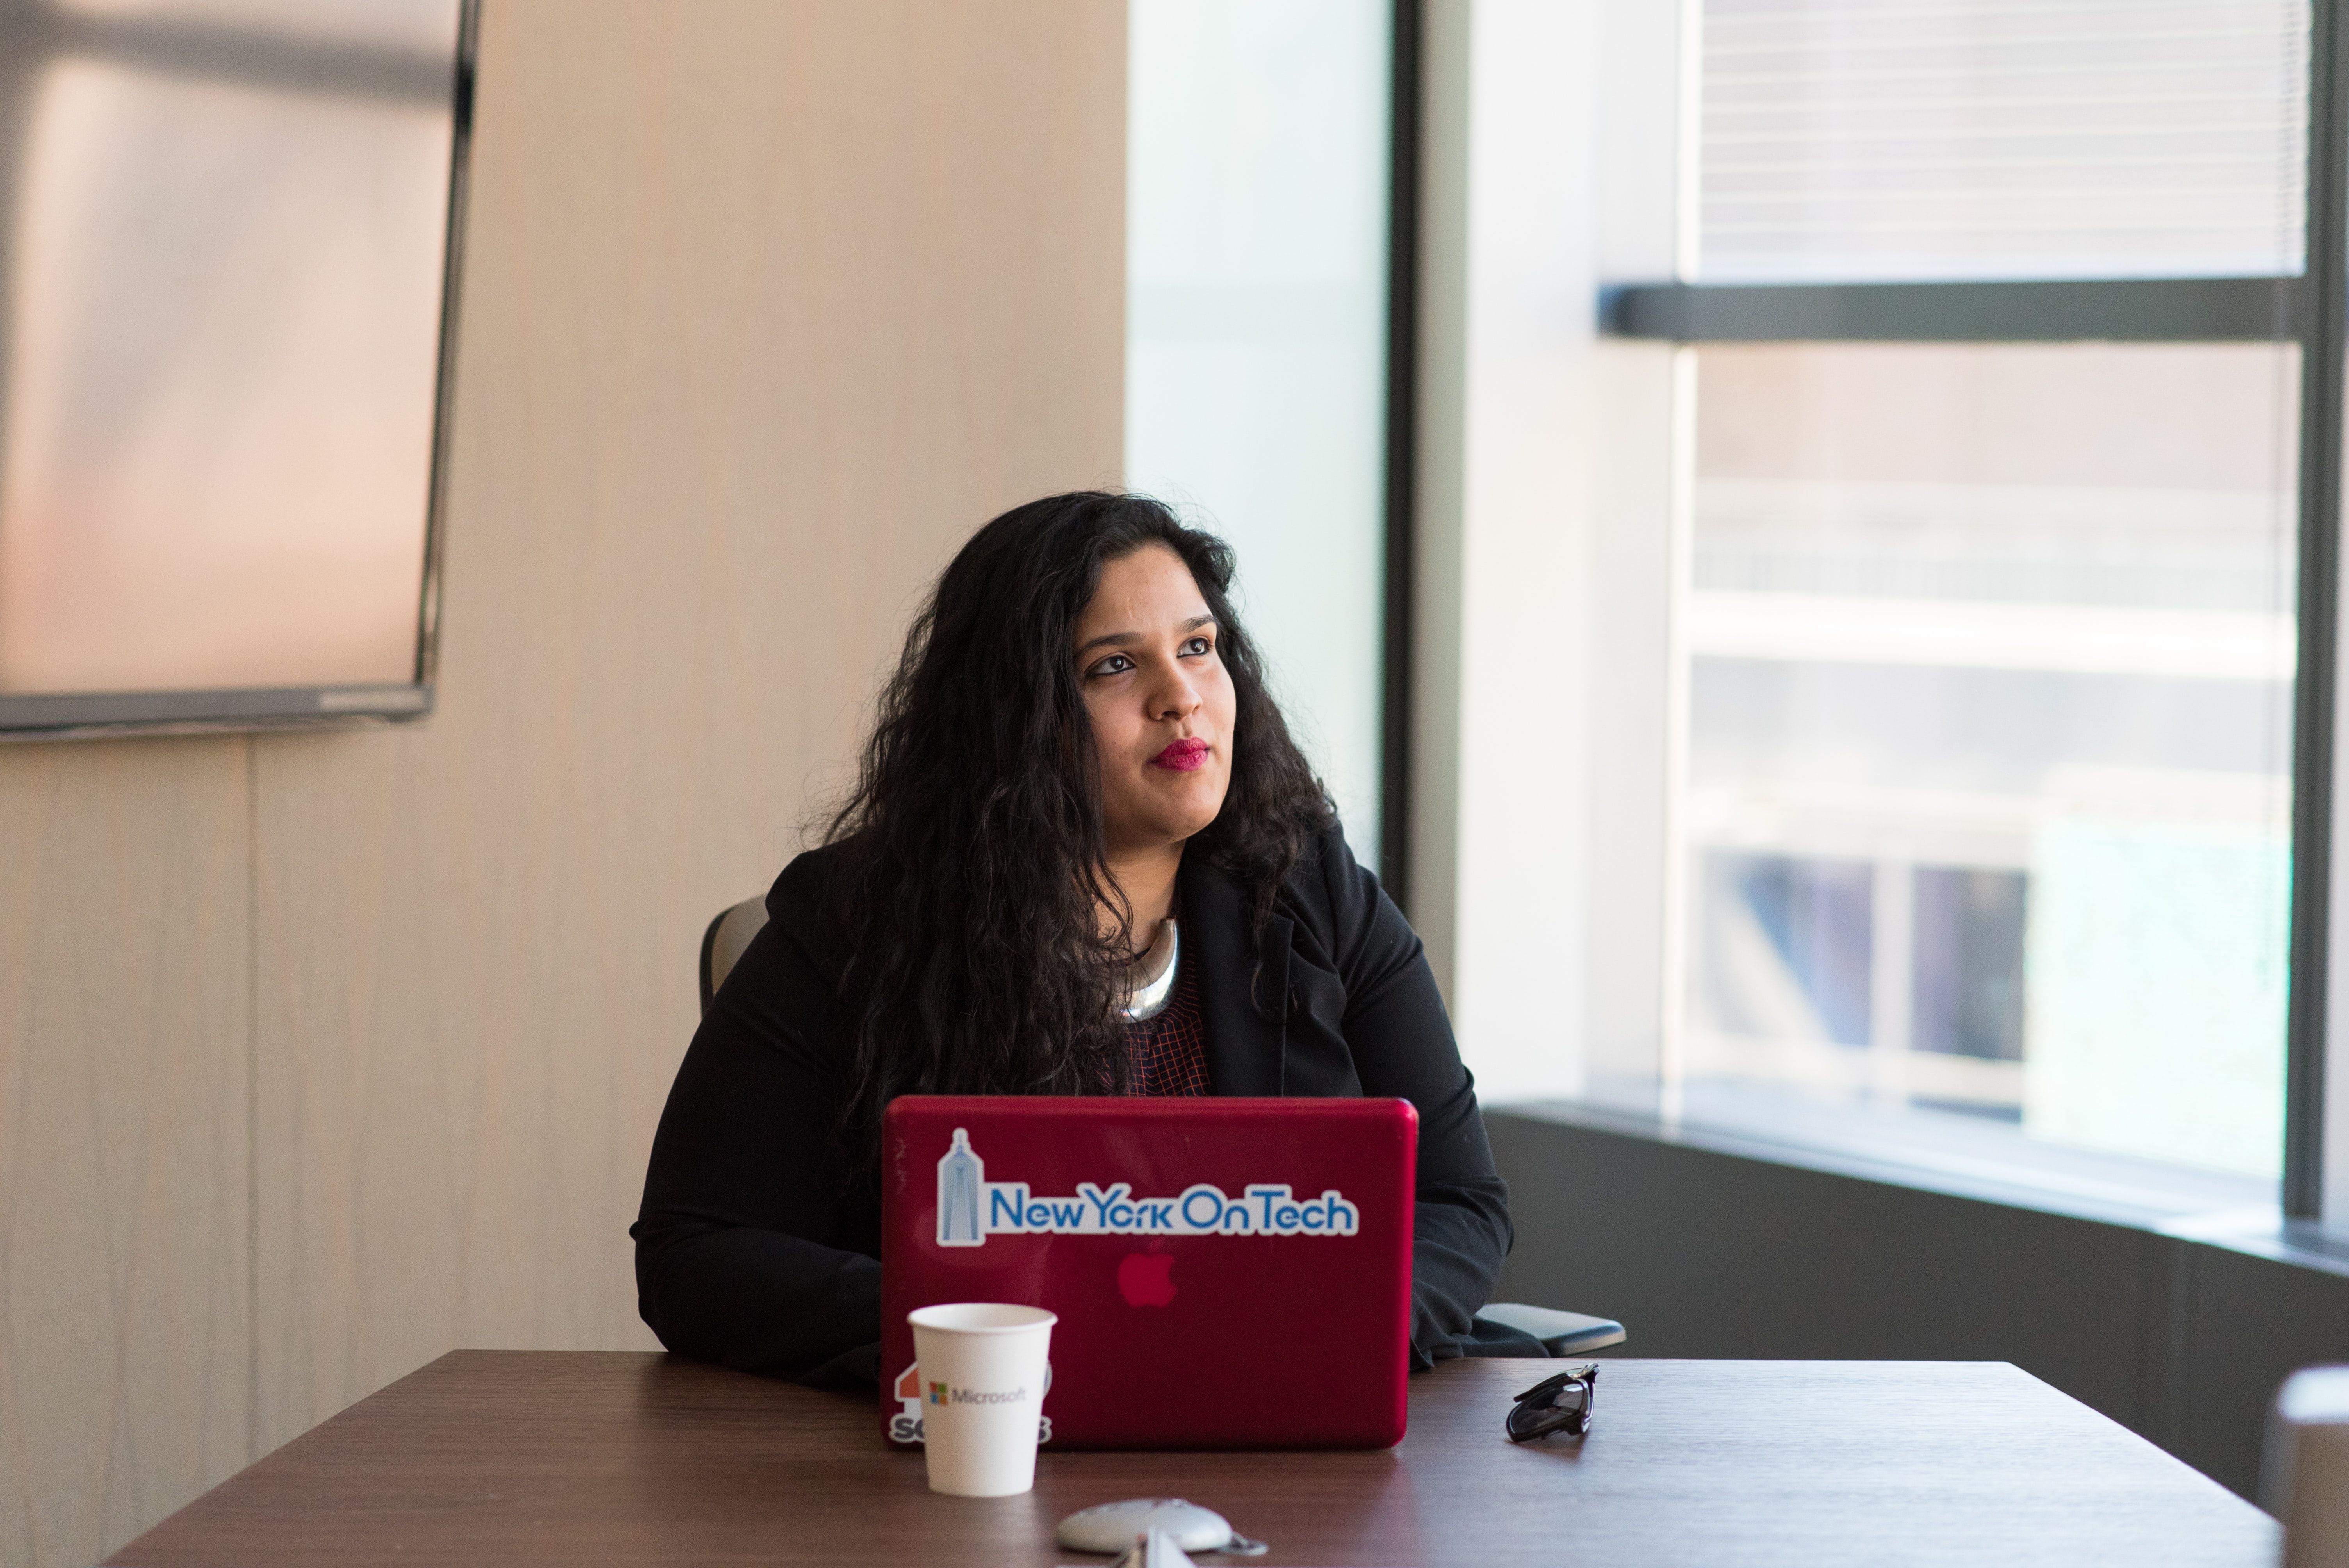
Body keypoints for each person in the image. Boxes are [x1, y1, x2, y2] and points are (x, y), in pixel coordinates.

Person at [632, 491, 1534, 1386]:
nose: (1180, 697)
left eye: (1197, 647)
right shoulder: (858, 922)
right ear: (1011, 718)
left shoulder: (1312, 892)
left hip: (1280, 1434)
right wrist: (984, 1333)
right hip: (982, 1451)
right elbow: (693, 1250)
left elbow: (1456, 1202)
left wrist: (1318, 1323)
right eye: (1112, 666)